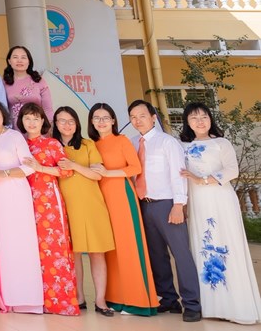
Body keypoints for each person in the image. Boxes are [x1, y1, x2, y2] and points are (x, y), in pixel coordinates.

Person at [179, 101, 261, 324]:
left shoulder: (221, 143)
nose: (200, 121)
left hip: (221, 200)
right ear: (187, 122)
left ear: (210, 119)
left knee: (228, 245)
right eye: (194, 118)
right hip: (198, 203)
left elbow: (232, 170)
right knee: (203, 247)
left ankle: (237, 308)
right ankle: (212, 306)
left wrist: (202, 180)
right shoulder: (183, 147)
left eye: (204, 117)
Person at [128, 99, 201, 321]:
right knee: (156, 255)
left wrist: (179, 205)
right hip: (144, 205)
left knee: (181, 254)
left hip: (167, 204)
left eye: (142, 116)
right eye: (133, 117)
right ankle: (168, 299)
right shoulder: (132, 143)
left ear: (153, 118)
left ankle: (192, 304)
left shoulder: (167, 142)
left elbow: (178, 174)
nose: (137, 120)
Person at [88, 102, 158, 315]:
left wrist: (107, 173)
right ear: (91, 122)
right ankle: (115, 299)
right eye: (96, 118)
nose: (101, 121)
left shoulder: (122, 140)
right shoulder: (91, 145)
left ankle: (138, 301)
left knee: (128, 246)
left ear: (113, 120)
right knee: (110, 250)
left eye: (105, 117)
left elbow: (135, 168)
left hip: (121, 196)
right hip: (100, 200)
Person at [0, 98, 44, 314]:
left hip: (16, 194)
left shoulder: (14, 136)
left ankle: (27, 298)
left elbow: (29, 167)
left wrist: (4, 173)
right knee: (0, 245)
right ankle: (4, 298)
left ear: (3, 114)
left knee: (20, 243)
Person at [17, 102, 79, 316]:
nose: (31, 122)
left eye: (36, 118)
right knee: (30, 251)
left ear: (43, 121)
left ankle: (60, 302)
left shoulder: (51, 143)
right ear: (21, 121)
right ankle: (34, 300)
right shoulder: (19, 144)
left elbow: (67, 171)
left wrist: (39, 168)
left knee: (54, 250)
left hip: (48, 204)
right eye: (27, 118)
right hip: (23, 202)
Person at [53, 107, 115, 315]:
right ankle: (79, 298)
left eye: (71, 120)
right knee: (74, 254)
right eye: (62, 121)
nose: (67, 125)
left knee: (97, 253)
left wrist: (73, 166)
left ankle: (100, 301)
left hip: (91, 205)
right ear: (55, 124)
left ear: (77, 123)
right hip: (65, 206)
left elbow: (97, 175)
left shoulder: (88, 144)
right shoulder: (52, 146)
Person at [2, 46, 53, 126]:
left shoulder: (38, 80)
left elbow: (48, 108)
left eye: (23, 57)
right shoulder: (4, 83)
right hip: (14, 129)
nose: (19, 60)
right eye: (15, 57)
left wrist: (49, 126)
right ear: (9, 61)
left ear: (29, 61)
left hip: (37, 127)